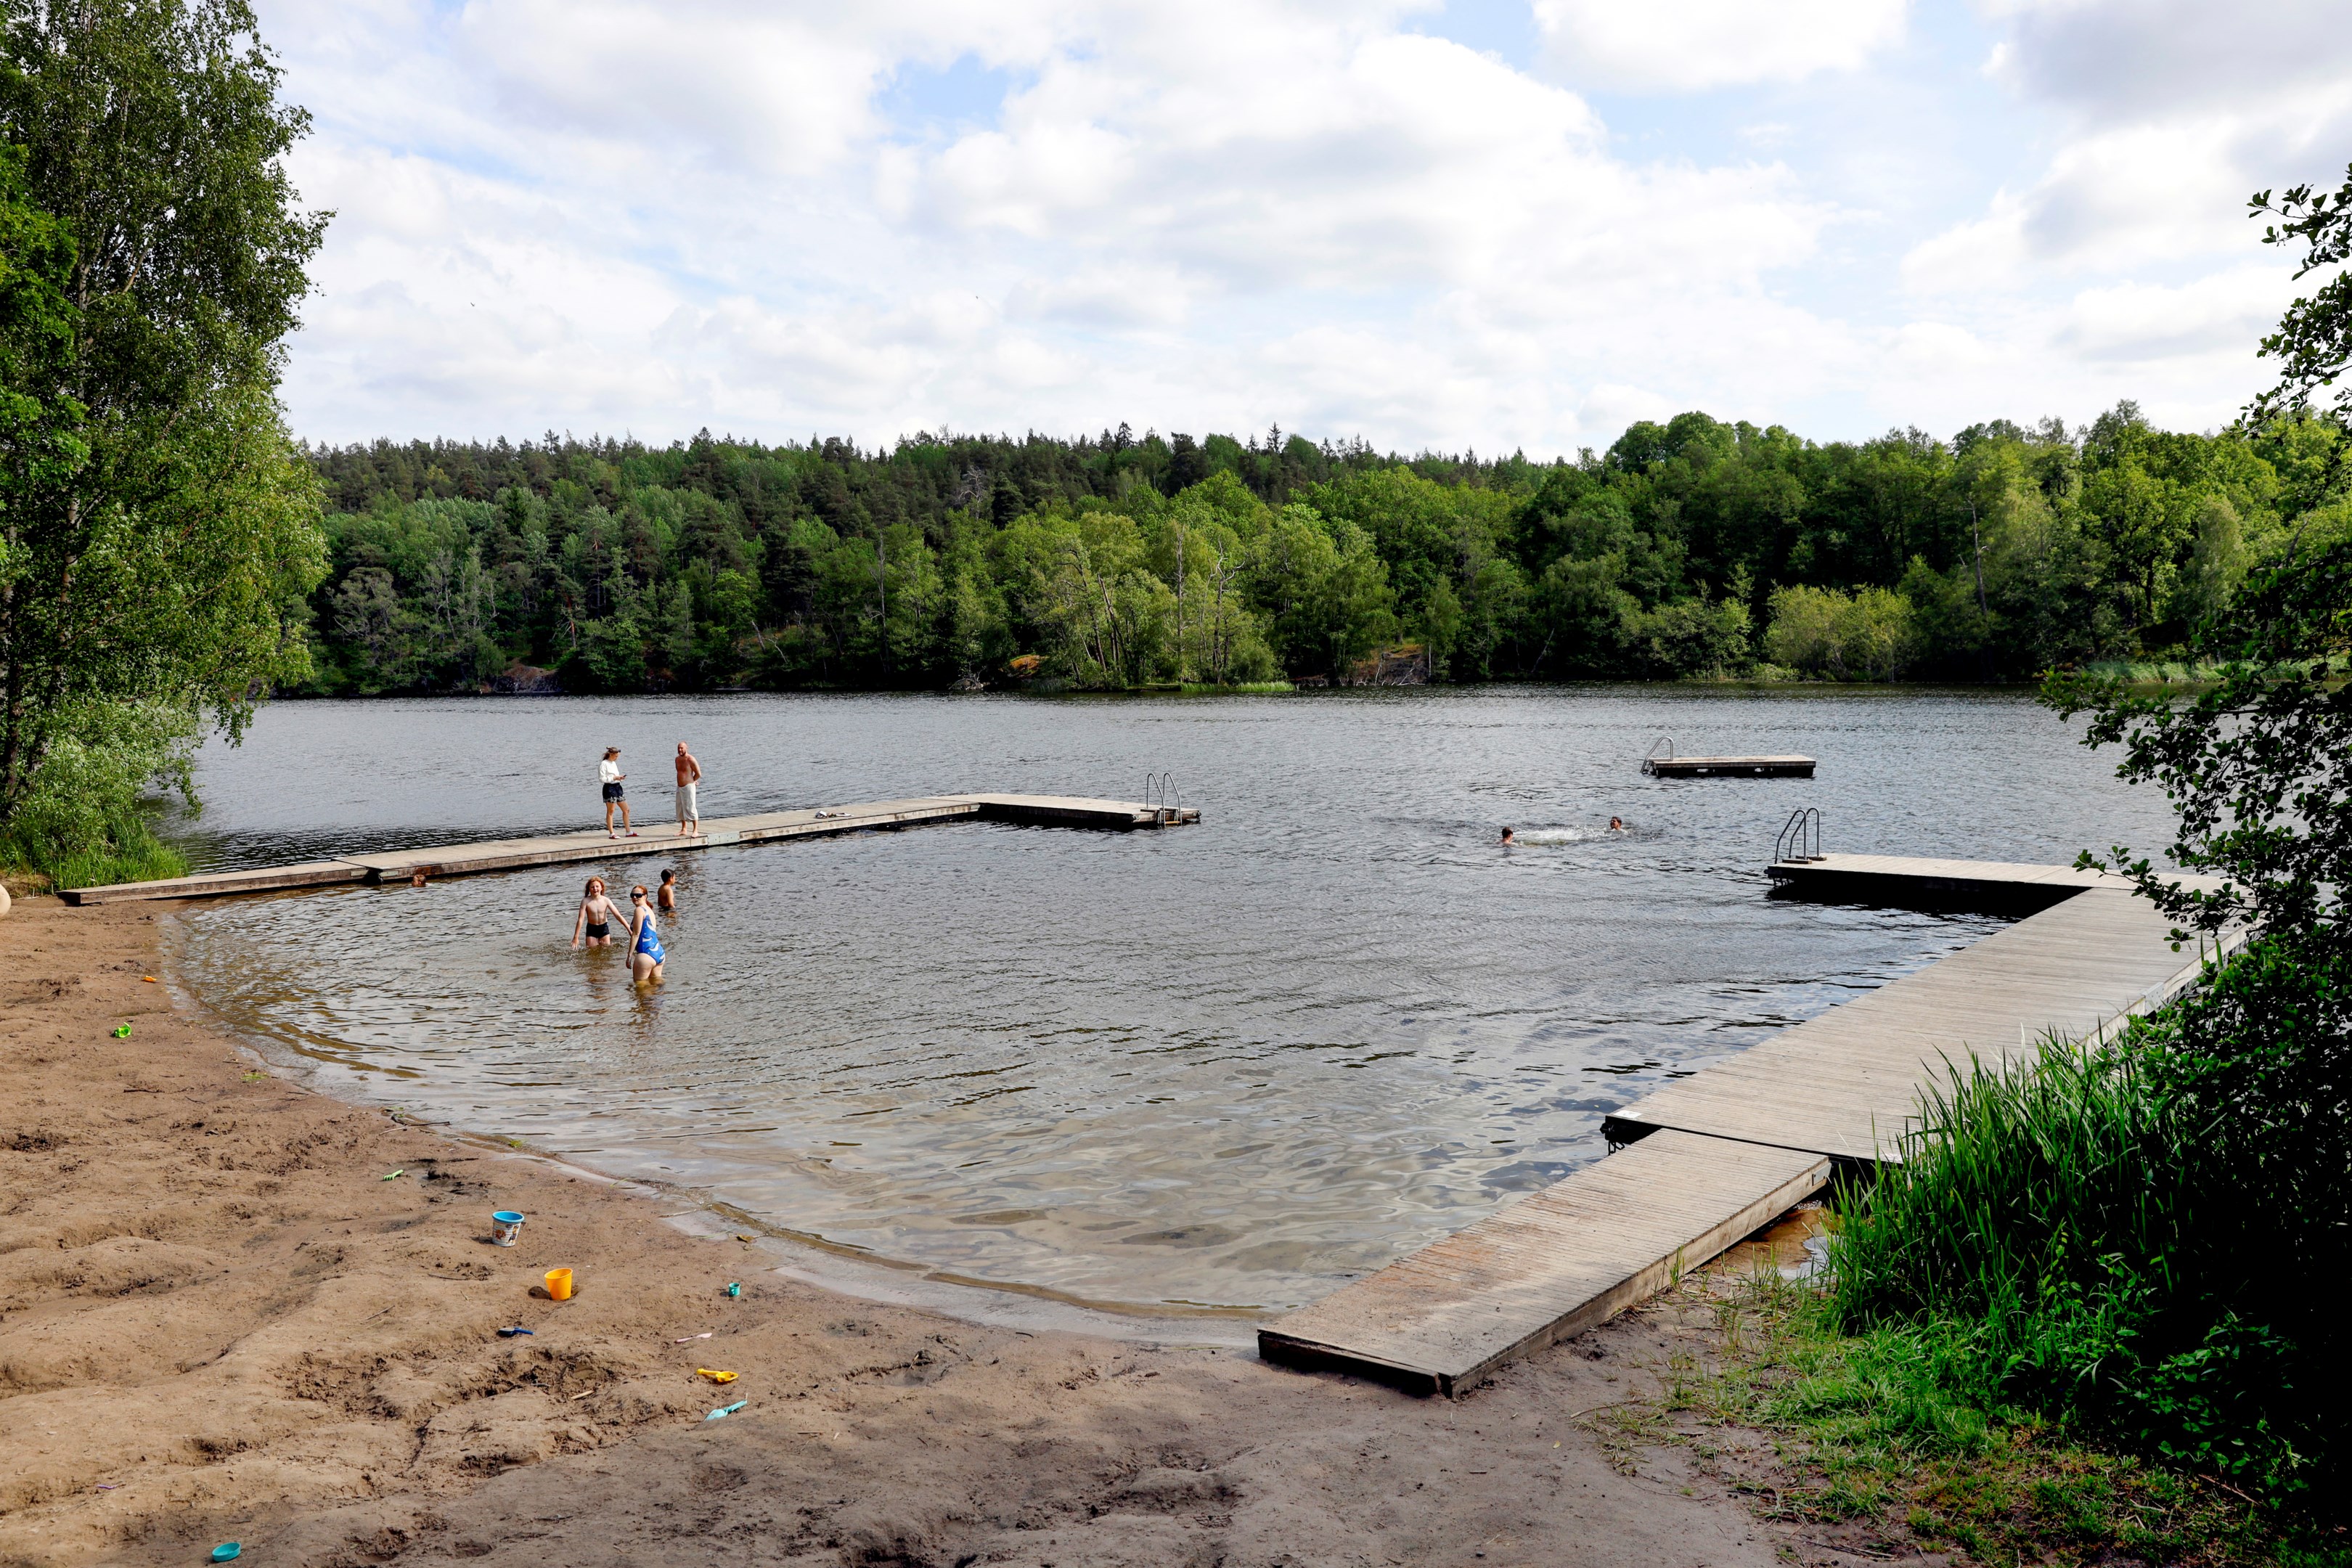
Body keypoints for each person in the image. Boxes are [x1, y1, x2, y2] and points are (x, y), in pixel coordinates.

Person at [571, 876, 624, 949]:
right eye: (592, 887)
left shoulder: (606, 900)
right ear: (589, 889)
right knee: (592, 953)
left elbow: (618, 915)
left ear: (601, 888)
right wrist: (576, 937)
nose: (595, 889)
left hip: (604, 928)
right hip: (591, 929)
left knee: (606, 952)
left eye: (597, 886)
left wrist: (629, 930)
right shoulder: (585, 901)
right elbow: (581, 919)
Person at [627, 884, 666, 984]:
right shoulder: (650, 910)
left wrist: (629, 956)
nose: (635, 897)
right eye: (632, 895)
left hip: (646, 954)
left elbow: (636, 934)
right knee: (656, 987)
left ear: (645, 896)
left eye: (638, 895)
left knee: (641, 988)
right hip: (659, 953)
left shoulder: (639, 910)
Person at [600, 747, 636, 838]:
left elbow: (615, 775)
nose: (617, 758)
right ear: (611, 755)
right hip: (609, 788)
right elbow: (602, 778)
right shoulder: (604, 764)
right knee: (611, 811)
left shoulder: (614, 763)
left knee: (626, 809)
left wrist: (619, 778)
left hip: (618, 787)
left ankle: (628, 831)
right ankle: (612, 833)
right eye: (616, 756)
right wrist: (614, 778)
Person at [673, 741, 703, 838]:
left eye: (682, 748)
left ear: (687, 748)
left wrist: (692, 781)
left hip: (689, 787)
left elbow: (698, 774)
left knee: (691, 807)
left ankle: (695, 830)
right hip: (680, 787)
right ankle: (684, 829)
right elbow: (680, 772)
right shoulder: (677, 759)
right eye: (679, 748)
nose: (680, 750)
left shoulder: (691, 759)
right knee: (680, 808)